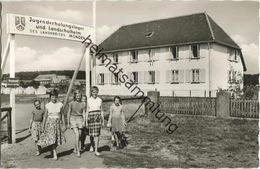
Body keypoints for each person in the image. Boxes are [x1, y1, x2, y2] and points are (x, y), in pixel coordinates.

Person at [37, 89, 66, 160]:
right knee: (52, 139)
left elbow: (62, 115)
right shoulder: (47, 105)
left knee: (56, 139)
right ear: (50, 97)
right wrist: (43, 126)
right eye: (52, 97)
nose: (54, 98)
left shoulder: (60, 105)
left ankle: (52, 149)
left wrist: (64, 124)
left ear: (57, 97)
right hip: (50, 124)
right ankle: (54, 152)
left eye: (55, 97)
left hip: (57, 124)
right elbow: (45, 117)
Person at [86, 86, 104, 156]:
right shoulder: (88, 100)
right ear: (91, 92)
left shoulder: (100, 100)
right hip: (91, 117)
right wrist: (86, 121)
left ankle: (96, 150)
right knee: (91, 134)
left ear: (97, 92)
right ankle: (91, 145)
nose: (95, 93)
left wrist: (103, 120)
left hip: (97, 117)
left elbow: (101, 110)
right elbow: (87, 110)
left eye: (96, 92)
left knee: (97, 135)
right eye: (93, 92)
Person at [67, 90, 85, 157]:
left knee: (79, 136)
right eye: (77, 96)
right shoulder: (71, 103)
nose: (78, 97)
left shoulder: (83, 103)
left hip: (80, 119)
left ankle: (75, 148)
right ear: (74, 96)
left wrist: (84, 121)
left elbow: (83, 112)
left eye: (79, 96)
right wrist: (68, 122)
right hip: (73, 119)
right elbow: (69, 112)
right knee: (77, 134)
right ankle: (78, 151)